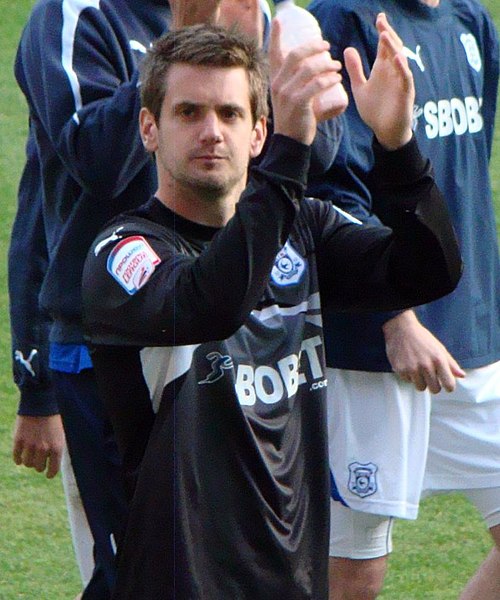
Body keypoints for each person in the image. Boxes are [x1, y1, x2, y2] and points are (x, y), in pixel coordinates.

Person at [81, 21, 461, 599]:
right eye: (189, 113)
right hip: (178, 579)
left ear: (257, 132)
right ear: (149, 128)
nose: (212, 132)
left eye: (231, 115)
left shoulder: (304, 227)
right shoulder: (122, 254)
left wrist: (397, 145)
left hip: (294, 575)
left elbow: (426, 271)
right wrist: (289, 155)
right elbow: (210, 304)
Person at [9, 1, 275, 597]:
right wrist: (36, 380)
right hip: (109, 349)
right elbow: (94, 164)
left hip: (238, 328)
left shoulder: (249, 8)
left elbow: (298, 160)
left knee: (233, 549)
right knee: (140, 566)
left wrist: (290, 88)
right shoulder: (75, 16)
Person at [306, 1, 500, 598]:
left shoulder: (471, 22)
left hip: (472, 332)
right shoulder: (343, 19)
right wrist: (396, 317)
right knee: (354, 572)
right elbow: (329, 183)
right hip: (373, 350)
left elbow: (464, 171)